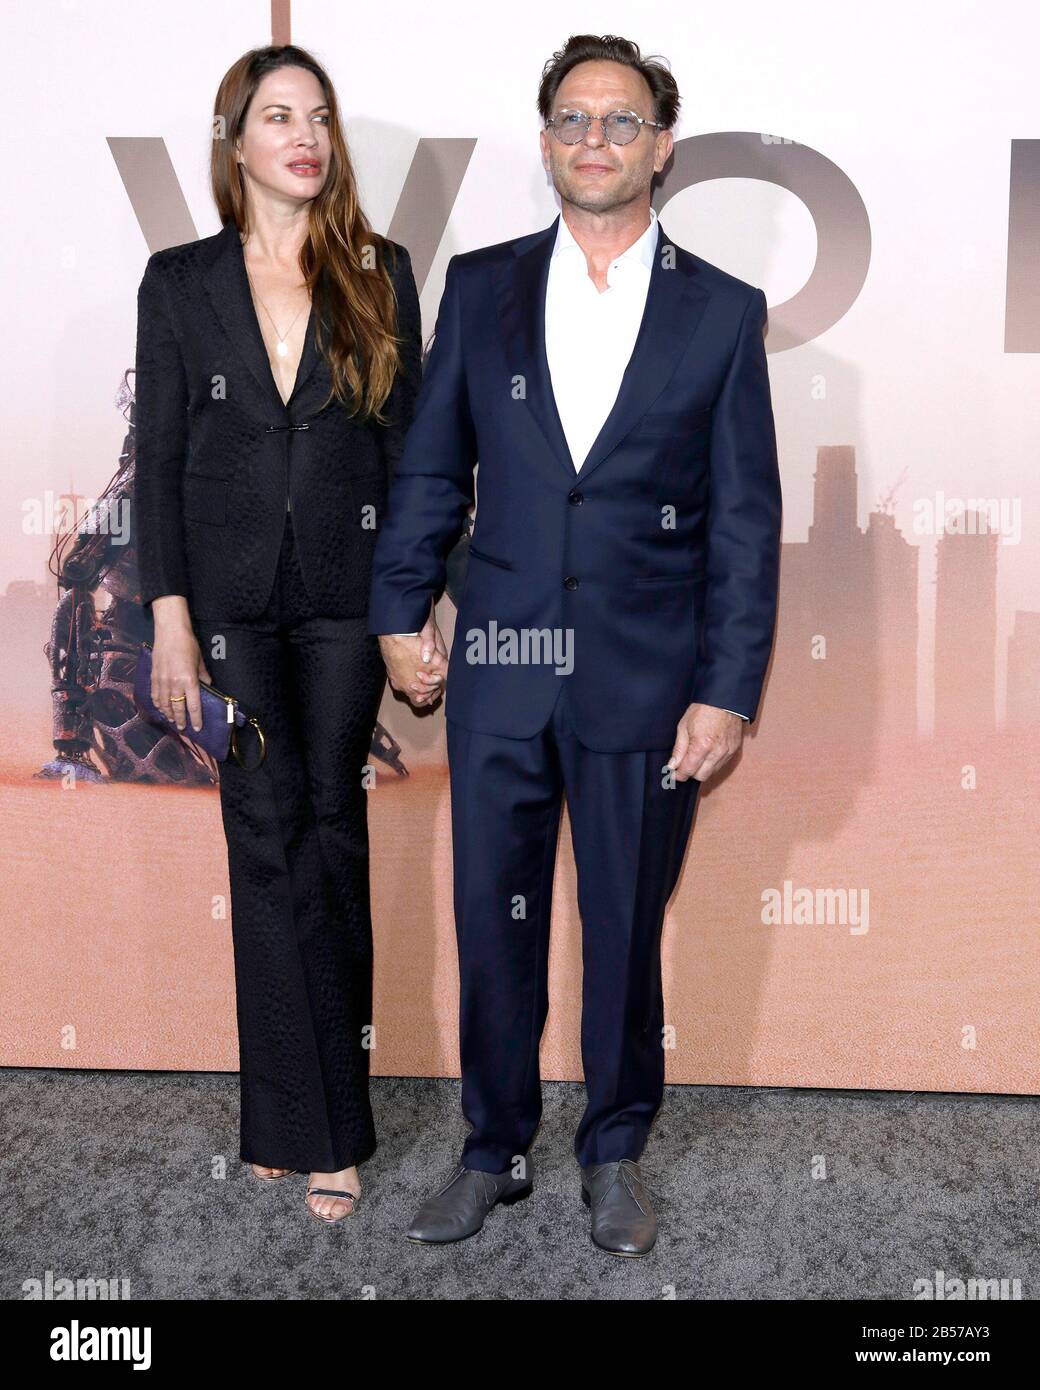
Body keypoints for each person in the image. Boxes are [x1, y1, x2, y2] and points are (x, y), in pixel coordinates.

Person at [369, 33, 782, 1255]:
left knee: (620, 927)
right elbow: (433, 469)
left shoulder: (719, 312)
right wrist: (400, 608)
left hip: (646, 683)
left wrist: (725, 690)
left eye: (618, 121)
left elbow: (744, 524)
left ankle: (613, 1146)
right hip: (498, 670)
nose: (591, 141)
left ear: (659, 145)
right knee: (493, 923)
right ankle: (490, 1148)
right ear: (544, 140)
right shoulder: (483, 285)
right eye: (569, 119)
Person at [133, 44, 423, 1225]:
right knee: (260, 840)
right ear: (235, 141)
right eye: (276, 116)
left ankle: (334, 1128)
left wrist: (413, 603)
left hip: (347, 606)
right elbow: (157, 463)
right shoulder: (178, 280)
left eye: (318, 116)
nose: (304, 135)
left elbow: (412, 460)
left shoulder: (379, 271)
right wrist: (168, 620)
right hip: (231, 607)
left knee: (328, 831)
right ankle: (284, 1117)